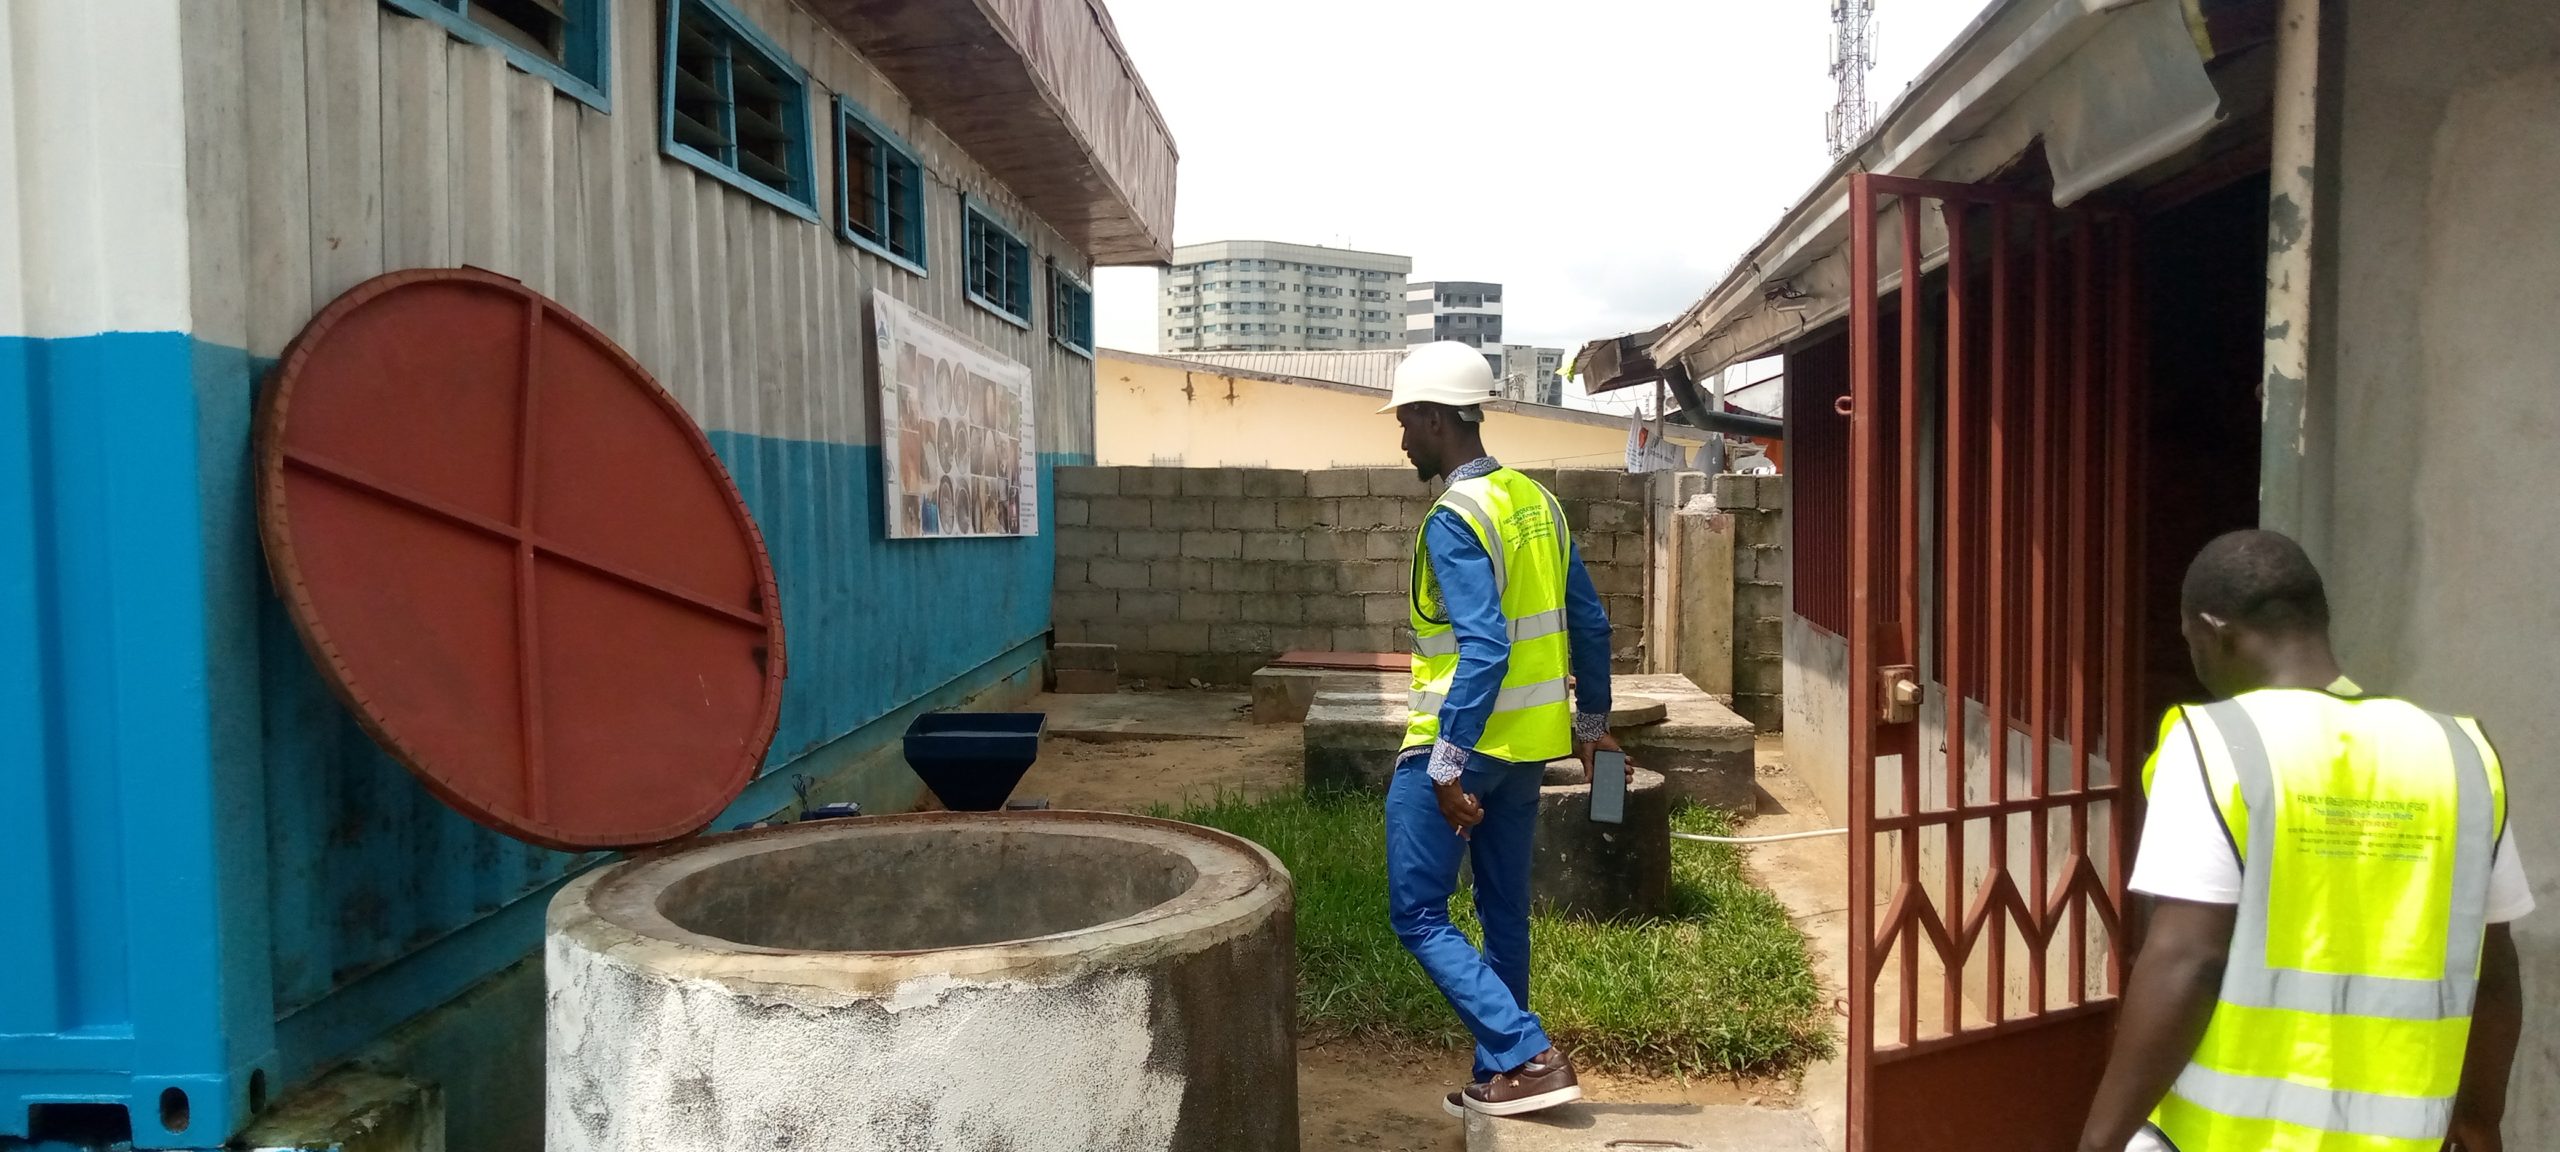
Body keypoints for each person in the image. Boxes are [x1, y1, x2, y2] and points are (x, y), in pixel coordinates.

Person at [2079, 530, 2531, 1152]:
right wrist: (2480, 1121)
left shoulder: (2213, 744)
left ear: (2214, 631)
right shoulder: (2459, 756)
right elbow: (2495, 972)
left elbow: (2188, 958)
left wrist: (2100, 1138)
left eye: (2191, 643)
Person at [1374, 341, 1632, 1120]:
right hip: (1527, 753)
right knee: (1502, 914)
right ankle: (1504, 1077)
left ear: (1434, 418)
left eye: (1406, 422)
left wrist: (1445, 765)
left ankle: (1527, 1054)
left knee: (1418, 911)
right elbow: (1591, 621)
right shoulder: (1538, 503)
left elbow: (1484, 645)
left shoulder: (1454, 518)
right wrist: (1592, 727)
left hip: (1457, 748)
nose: (1402, 439)